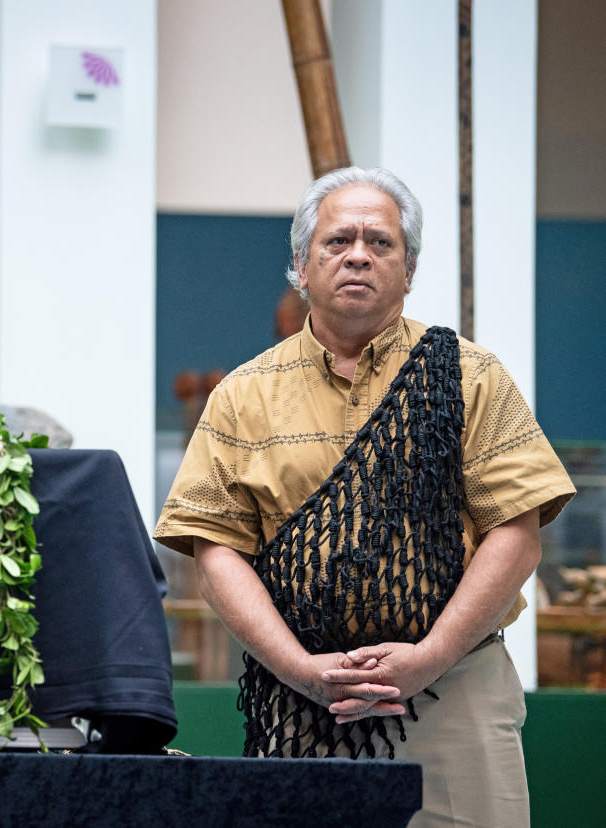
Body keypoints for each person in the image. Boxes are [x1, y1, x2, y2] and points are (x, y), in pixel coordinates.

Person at [154, 167, 575, 826]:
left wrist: (429, 657)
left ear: (408, 270)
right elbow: (216, 549)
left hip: (454, 693)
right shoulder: (244, 394)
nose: (358, 254)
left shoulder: (469, 376)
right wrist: (300, 668)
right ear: (301, 263)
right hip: (297, 701)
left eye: (380, 243)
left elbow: (517, 534)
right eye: (338, 240)